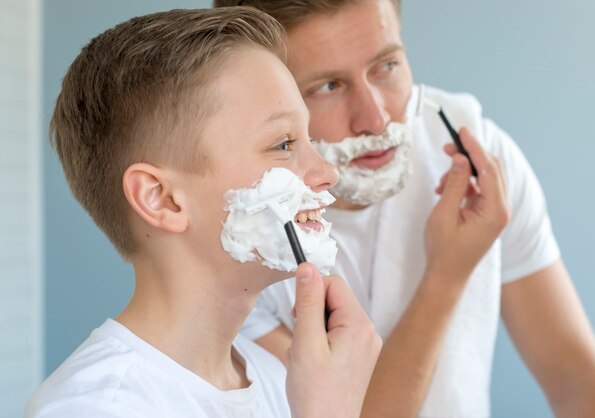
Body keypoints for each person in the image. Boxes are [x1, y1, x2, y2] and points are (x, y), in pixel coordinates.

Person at [214, 1, 595, 417]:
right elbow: (352, 412)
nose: (375, 119)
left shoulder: (477, 158)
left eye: (386, 66)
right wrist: (446, 276)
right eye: (328, 87)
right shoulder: (244, 226)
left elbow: (575, 376)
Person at [25, 7, 383, 418]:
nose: (327, 173)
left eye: (309, 138)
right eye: (284, 143)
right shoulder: (94, 407)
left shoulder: (285, 381)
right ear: (162, 199)